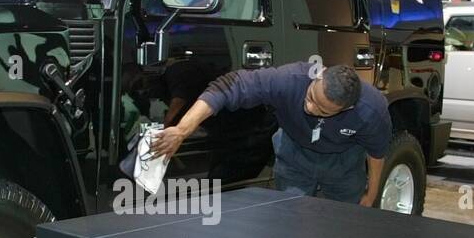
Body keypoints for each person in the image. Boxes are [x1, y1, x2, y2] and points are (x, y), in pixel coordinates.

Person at [150, 61, 391, 206]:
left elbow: (377, 153)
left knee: (343, 223)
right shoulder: (289, 80)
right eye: (310, 98)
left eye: (321, 110)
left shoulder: (371, 110)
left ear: (346, 108)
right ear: (318, 75)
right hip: (295, 155)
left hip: (344, 163)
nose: (309, 108)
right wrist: (182, 130)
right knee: (291, 218)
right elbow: (227, 87)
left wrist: (371, 194)